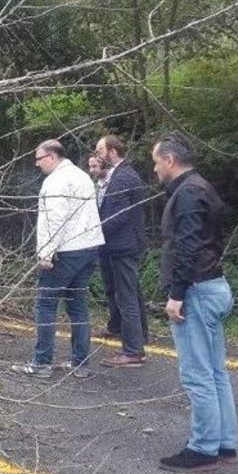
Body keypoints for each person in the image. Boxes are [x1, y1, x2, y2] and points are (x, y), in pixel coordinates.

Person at [152, 132, 237, 472]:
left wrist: (176, 294)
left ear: (169, 161)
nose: (155, 168)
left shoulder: (187, 194)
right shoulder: (202, 187)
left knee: (197, 375)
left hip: (197, 292)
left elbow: (187, 247)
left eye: (156, 161)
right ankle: (224, 444)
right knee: (216, 373)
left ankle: (203, 449)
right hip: (214, 285)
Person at [11, 140, 104, 379]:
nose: (36, 163)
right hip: (88, 247)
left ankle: (42, 362)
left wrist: (46, 253)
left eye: (39, 158)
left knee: (45, 303)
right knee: (78, 306)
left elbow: (55, 219)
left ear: (52, 156)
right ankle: (80, 362)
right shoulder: (82, 176)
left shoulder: (55, 181)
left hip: (65, 250)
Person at [94, 135, 150, 368]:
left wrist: (92, 229)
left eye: (100, 150)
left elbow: (118, 216)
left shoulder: (123, 177)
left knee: (126, 296)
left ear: (112, 151)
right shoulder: (120, 175)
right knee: (130, 293)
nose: (97, 155)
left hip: (123, 245)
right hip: (121, 244)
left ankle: (133, 351)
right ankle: (134, 336)